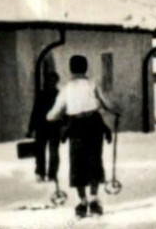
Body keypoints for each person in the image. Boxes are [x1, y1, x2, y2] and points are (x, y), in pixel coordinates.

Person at [47, 54, 115, 218]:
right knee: (94, 160)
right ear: (86, 68)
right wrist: (115, 111)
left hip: (76, 128)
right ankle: (94, 198)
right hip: (93, 125)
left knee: (77, 163)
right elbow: (106, 104)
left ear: (71, 69)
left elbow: (54, 113)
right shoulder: (92, 85)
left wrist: (50, 118)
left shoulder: (66, 89)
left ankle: (82, 201)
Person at [27, 62, 61, 187]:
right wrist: (31, 128)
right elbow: (35, 112)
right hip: (42, 127)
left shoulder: (58, 95)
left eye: (54, 81)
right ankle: (40, 172)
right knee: (40, 151)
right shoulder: (41, 95)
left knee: (53, 152)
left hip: (54, 128)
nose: (51, 83)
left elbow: (63, 112)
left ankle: (52, 174)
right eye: (49, 81)